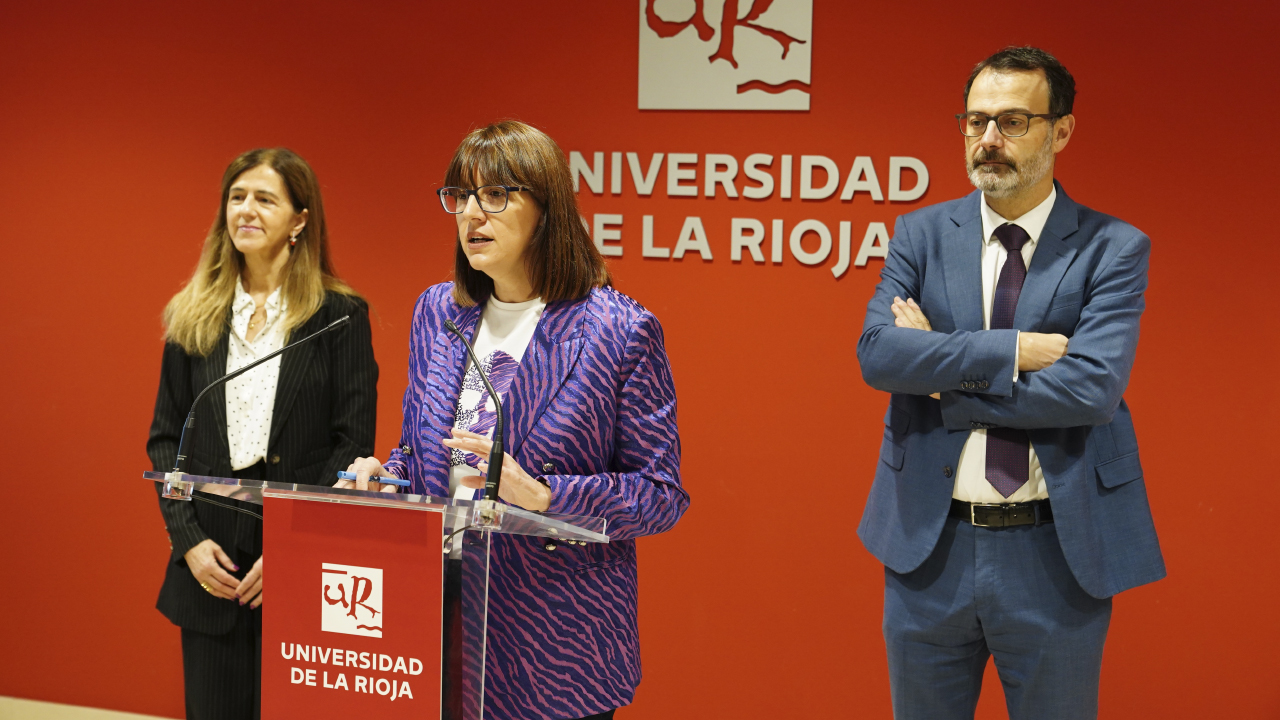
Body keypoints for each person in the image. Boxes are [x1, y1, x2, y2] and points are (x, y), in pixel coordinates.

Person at [856, 47, 1165, 719]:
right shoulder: (921, 234)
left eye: (1013, 121)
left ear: (1061, 132)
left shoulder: (1114, 248)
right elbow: (879, 355)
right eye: (975, 121)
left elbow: (1089, 391)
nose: (989, 140)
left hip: (1055, 553)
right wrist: (1015, 350)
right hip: (928, 551)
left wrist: (943, 374)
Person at [344, 120, 689, 720]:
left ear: (547, 209)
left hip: (553, 647)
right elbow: (421, 453)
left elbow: (661, 494)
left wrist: (548, 495)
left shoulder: (619, 331)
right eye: (461, 195)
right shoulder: (438, 312)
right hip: (438, 629)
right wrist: (385, 476)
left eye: (496, 195)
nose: (472, 214)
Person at [147, 148, 378, 720]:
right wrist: (188, 541)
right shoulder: (192, 315)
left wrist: (296, 552)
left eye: (264, 199)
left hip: (300, 564)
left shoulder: (339, 316)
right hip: (212, 566)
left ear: (300, 219)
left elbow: (352, 446)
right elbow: (164, 442)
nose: (245, 210)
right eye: (236, 197)